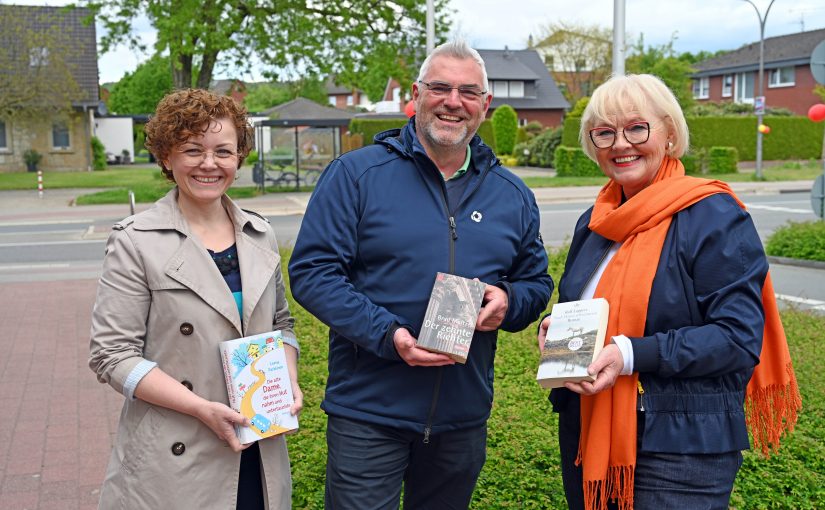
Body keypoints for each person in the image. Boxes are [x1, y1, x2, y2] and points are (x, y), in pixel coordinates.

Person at [288, 39, 553, 509]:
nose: (454, 102)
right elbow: (313, 273)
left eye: (469, 92)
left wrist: (509, 302)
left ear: (485, 104)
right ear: (416, 94)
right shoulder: (356, 175)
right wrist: (390, 336)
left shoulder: (511, 194)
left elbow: (536, 282)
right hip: (369, 412)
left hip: (461, 417)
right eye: (440, 88)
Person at [538, 74, 800, 510]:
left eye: (636, 128)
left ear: (670, 133)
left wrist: (628, 354)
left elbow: (736, 339)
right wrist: (557, 331)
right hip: (588, 433)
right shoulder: (595, 221)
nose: (621, 143)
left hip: (681, 448)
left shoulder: (712, 215)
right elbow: (584, 305)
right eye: (604, 132)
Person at [89, 88, 302, 509]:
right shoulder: (135, 241)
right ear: (167, 157)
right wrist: (201, 408)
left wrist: (288, 382)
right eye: (192, 149)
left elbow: (282, 326)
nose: (209, 163)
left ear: (239, 158)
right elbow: (112, 356)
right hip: (176, 454)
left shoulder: (260, 234)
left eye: (223, 151)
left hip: (257, 448)